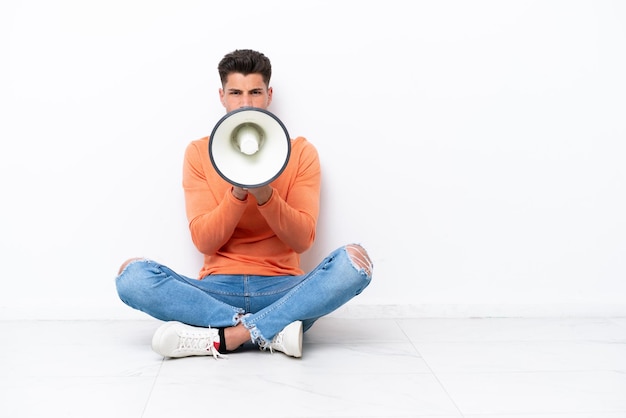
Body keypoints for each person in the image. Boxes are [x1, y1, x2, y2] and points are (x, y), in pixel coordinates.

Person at [115, 49, 373, 359]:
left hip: (282, 289)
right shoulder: (199, 153)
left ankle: (228, 336)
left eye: (255, 92)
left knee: (355, 263)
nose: (246, 103)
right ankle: (271, 331)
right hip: (216, 292)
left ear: (269, 95)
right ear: (222, 96)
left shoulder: (301, 152)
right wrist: (237, 192)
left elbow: (302, 240)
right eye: (236, 93)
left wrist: (265, 193)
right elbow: (204, 241)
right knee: (131, 277)